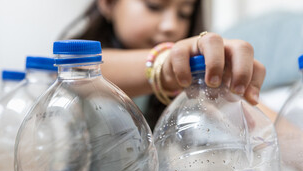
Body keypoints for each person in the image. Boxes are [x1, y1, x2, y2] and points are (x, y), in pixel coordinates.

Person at [60, 0, 267, 128]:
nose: (171, 26)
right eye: (154, 6)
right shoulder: (68, 67)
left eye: (184, 13)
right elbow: (78, 70)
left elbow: (263, 123)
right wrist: (167, 65)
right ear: (108, 3)